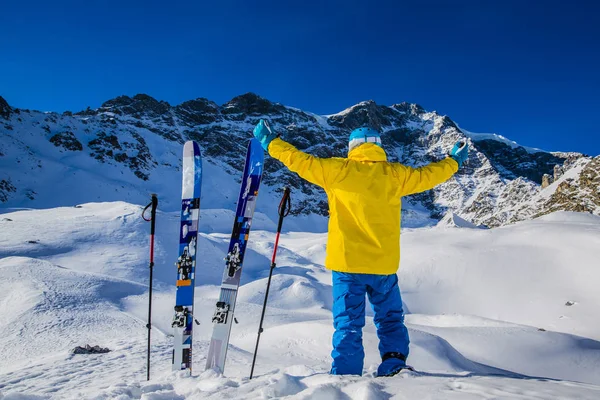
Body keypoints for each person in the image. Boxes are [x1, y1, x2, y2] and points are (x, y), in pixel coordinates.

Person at [253, 120, 468, 377]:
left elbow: (299, 161)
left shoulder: (336, 170)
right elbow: (431, 175)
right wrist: (454, 160)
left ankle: (345, 375)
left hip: (347, 265)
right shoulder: (396, 175)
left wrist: (271, 143)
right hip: (383, 266)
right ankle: (394, 365)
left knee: (348, 324)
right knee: (390, 320)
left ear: (352, 147)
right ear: (379, 147)